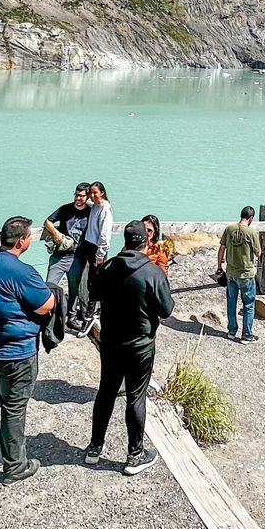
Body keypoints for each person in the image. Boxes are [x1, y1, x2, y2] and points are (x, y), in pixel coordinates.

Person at [0, 217, 54, 482]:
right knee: (14, 409)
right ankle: (15, 466)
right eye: (29, 236)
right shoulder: (21, 270)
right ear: (21, 241)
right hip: (16, 354)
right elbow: (46, 304)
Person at [86, 221, 174, 476]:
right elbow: (166, 310)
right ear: (145, 242)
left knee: (105, 392)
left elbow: (93, 293)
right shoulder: (152, 272)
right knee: (136, 396)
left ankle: (94, 448)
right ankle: (134, 455)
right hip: (140, 345)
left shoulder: (110, 266)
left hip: (111, 342)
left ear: (124, 240)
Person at [71, 181, 115, 336]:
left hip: (97, 250)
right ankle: (90, 311)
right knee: (89, 281)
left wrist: (101, 254)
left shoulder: (104, 209)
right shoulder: (95, 206)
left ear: (102, 193)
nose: (93, 196)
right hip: (89, 247)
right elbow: (82, 201)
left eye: (96, 193)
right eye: (91, 193)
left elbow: (105, 234)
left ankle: (90, 315)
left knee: (95, 283)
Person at [218, 206, 260, 343]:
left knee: (231, 302)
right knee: (248, 304)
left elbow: (222, 248)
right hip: (246, 274)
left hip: (231, 272)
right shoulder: (252, 232)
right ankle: (246, 335)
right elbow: (258, 253)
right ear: (251, 218)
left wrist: (219, 266)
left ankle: (231, 330)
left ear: (241, 215)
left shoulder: (229, 229)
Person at [43, 183, 90, 294]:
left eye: (82, 196)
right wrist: (56, 233)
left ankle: (71, 312)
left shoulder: (91, 212)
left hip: (77, 258)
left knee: (74, 292)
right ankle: (49, 310)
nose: (78, 198)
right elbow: (47, 221)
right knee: (49, 288)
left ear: (87, 197)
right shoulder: (65, 209)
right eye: (76, 195)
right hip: (59, 256)